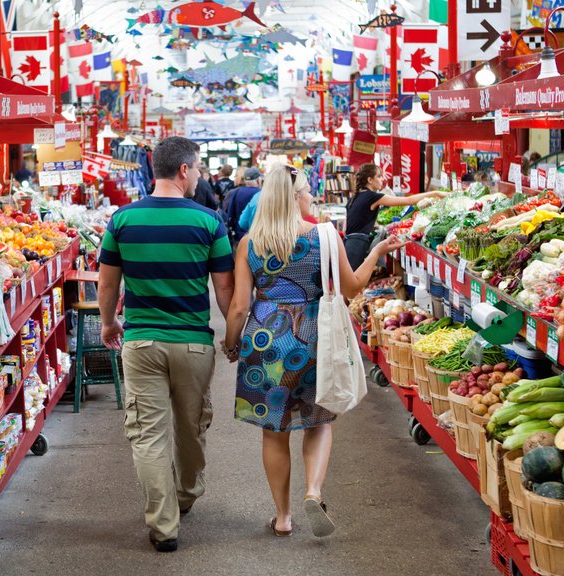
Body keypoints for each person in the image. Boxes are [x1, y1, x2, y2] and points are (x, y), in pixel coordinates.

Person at [222, 164, 406, 538]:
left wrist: (230, 343)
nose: (310, 196)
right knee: (318, 421)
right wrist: (377, 251)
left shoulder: (249, 243)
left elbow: (239, 305)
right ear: (293, 197)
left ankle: (283, 517)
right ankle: (314, 491)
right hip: (313, 338)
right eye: (306, 191)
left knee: (274, 432)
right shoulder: (325, 236)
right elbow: (353, 287)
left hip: (266, 341)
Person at [97, 136, 235, 553]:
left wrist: (109, 323)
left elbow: (107, 282)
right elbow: (224, 289)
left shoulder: (122, 220)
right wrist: (234, 336)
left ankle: (163, 526)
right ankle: (187, 493)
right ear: (183, 170)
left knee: (147, 435)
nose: (198, 177)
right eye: (196, 169)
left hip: (141, 343)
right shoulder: (209, 222)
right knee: (191, 428)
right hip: (194, 345)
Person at [344, 163, 446, 270]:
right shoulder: (372, 197)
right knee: (353, 282)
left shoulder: (355, 197)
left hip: (348, 243)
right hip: (356, 246)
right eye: (379, 176)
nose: (382, 179)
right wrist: (435, 193)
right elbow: (408, 201)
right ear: (370, 180)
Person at [225, 167, 263, 243]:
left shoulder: (236, 192)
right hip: (259, 237)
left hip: (240, 236)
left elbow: (230, 214)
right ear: (258, 180)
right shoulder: (262, 194)